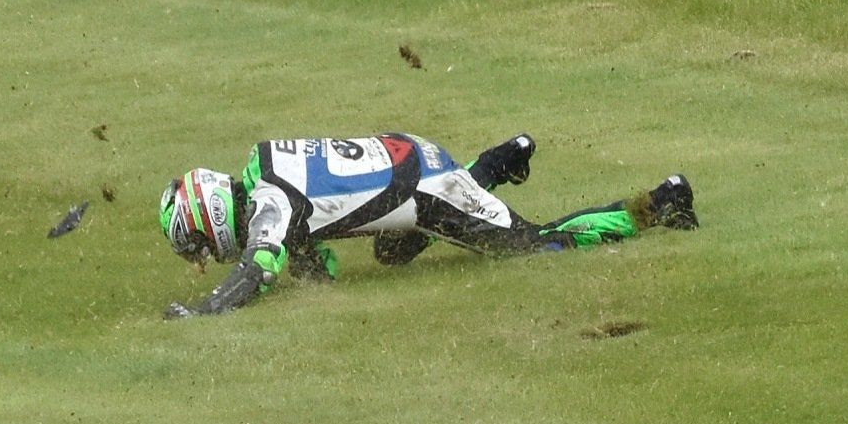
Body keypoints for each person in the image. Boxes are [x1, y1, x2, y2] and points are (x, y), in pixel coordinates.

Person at [158, 133, 696, 317]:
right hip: (409, 158)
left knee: (536, 248)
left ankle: (660, 203)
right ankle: (500, 162)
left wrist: (206, 310)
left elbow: (258, 270)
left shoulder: (271, 205)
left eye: (198, 243)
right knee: (391, 255)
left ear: (211, 214)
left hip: (427, 190)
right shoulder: (264, 166)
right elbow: (319, 266)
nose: (204, 256)